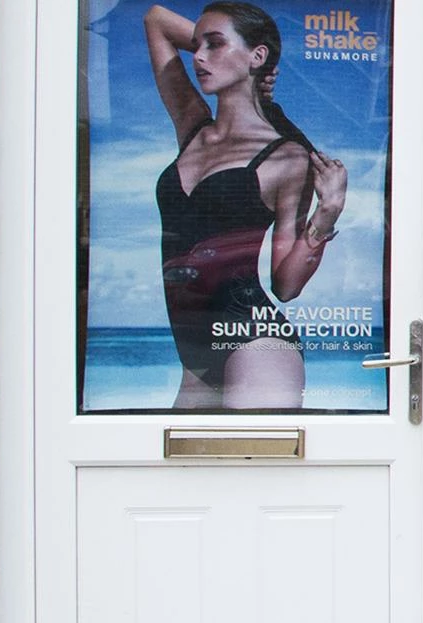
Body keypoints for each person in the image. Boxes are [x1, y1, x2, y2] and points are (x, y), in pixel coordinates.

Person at [145, 3, 348, 409]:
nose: (199, 56)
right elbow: (156, 19)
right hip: (196, 360)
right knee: (185, 471)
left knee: (262, 467)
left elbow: (285, 286)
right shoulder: (193, 127)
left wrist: (327, 214)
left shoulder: (285, 158)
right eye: (197, 45)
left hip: (258, 346)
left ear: (256, 55)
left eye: (215, 45)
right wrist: (244, 59)